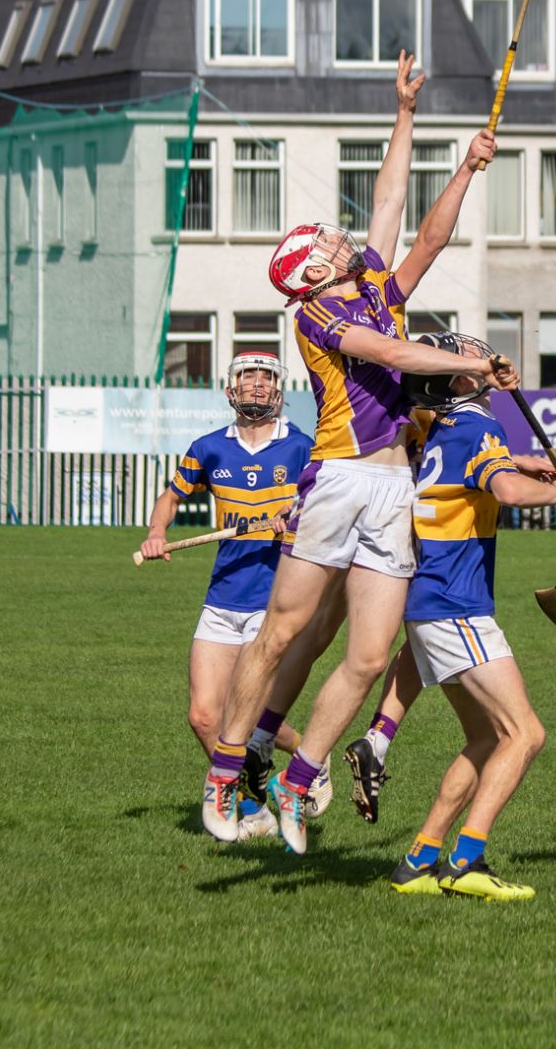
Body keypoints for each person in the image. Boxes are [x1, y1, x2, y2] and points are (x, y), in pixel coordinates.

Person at [201, 51, 519, 848]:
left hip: (392, 488)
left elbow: (412, 221)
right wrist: (473, 361)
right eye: (330, 241)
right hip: (338, 479)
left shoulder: (373, 283)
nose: (346, 239)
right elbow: (399, 358)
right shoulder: (318, 319)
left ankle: (299, 780)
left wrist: (429, 134)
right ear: (313, 270)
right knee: (281, 634)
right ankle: (228, 776)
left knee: (371, 655)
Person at [387, 331, 556, 900]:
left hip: (429, 605)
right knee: (525, 734)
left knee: (486, 737)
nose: (473, 360)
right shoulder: (479, 426)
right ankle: (466, 862)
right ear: (453, 381)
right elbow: (505, 491)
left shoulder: (439, 429)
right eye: (462, 359)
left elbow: (491, 476)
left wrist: (527, 463)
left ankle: (419, 861)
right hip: (456, 605)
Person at [139, 351, 328, 837]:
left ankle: (310, 755)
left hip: (275, 603)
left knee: (246, 715)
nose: (258, 386)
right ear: (231, 390)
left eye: (267, 379)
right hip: (223, 597)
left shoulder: (302, 448)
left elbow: (326, 508)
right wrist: (158, 530)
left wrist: (297, 517)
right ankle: (254, 807)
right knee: (204, 716)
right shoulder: (209, 448)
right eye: (249, 379)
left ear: (280, 390)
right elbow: (171, 495)